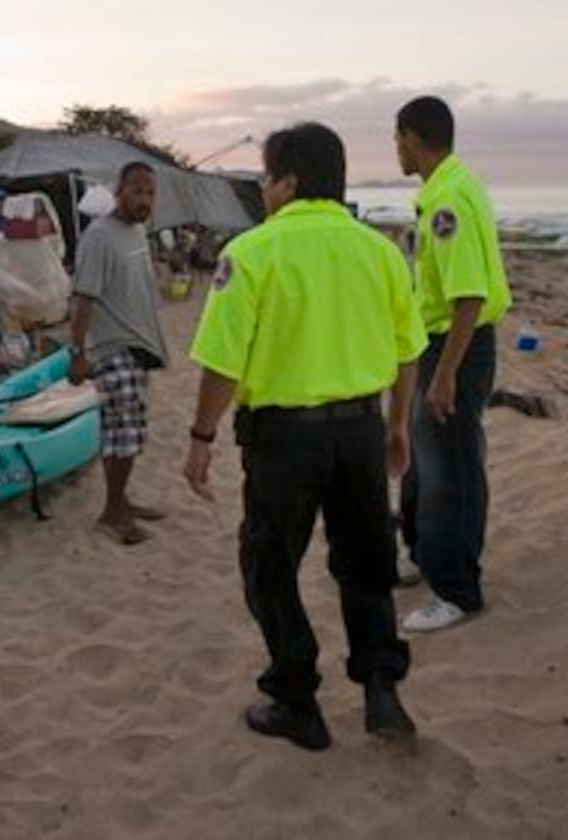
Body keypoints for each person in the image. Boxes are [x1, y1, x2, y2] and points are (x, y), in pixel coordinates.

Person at [183, 122, 425, 751]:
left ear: (289, 181)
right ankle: (380, 687)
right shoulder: (381, 252)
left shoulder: (255, 252)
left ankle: (296, 700)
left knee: (269, 567)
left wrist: (200, 437)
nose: (263, 189)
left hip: (284, 441)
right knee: (367, 563)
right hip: (360, 431)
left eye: (266, 177)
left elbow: (222, 363)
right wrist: (397, 424)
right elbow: (407, 352)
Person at [395, 96, 512, 633]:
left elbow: (468, 294)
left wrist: (445, 375)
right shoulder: (447, 185)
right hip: (435, 343)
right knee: (425, 460)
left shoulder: (449, 200)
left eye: (397, 139)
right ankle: (421, 556)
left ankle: (458, 592)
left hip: (456, 348)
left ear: (412, 138)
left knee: (453, 469)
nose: (396, 149)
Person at [69, 162, 170, 546]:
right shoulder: (99, 237)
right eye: (138, 191)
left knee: (122, 432)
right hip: (114, 349)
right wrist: (78, 353)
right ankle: (112, 514)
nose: (145, 199)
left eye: (150, 193)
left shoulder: (136, 231)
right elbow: (83, 300)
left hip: (139, 348)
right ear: (119, 190)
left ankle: (121, 502)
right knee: (125, 434)